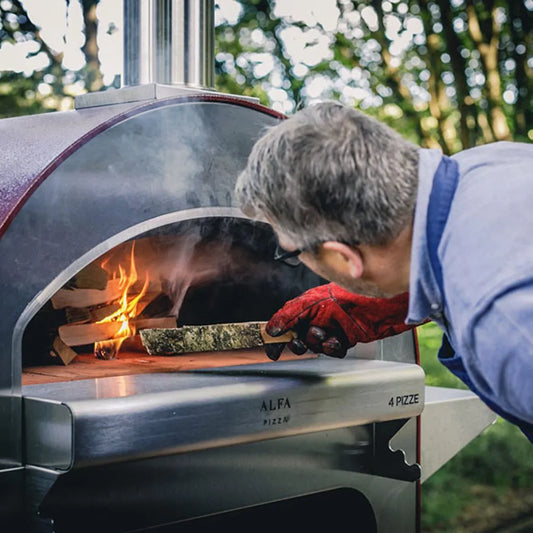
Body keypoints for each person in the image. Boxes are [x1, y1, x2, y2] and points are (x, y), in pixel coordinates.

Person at [235, 101, 533, 442]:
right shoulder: (491, 162)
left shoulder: (503, 325)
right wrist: (415, 295)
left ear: (345, 258)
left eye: (291, 250)